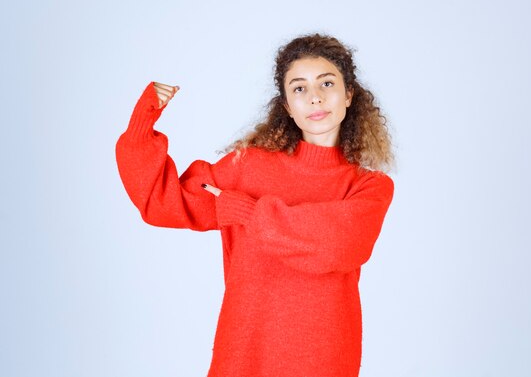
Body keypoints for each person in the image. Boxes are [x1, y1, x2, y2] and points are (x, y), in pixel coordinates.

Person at [115, 33, 395, 377]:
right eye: (299, 88)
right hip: (245, 349)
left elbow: (336, 244)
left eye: (327, 83)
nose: (315, 98)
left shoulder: (369, 186)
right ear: (287, 106)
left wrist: (248, 212)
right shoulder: (247, 168)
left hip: (325, 357)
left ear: (349, 94)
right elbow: (163, 200)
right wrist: (142, 126)